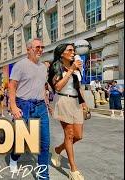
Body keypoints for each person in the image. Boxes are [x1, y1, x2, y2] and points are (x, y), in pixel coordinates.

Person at [8, 38, 50, 179]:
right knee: (21, 140)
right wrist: (13, 106)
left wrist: (46, 103)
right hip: (23, 105)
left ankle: (43, 176)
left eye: (41, 47)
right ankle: (14, 158)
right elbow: (12, 86)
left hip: (40, 107)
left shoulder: (43, 67)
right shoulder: (20, 65)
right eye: (37, 47)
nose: (40, 50)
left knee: (44, 143)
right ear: (28, 49)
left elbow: (42, 87)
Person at [48, 43, 88, 180]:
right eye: (69, 50)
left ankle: (57, 150)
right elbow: (58, 87)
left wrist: (83, 103)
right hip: (63, 101)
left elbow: (79, 87)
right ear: (61, 53)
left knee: (78, 136)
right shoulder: (56, 67)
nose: (73, 52)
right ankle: (73, 170)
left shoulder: (76, 67)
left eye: (73, 50)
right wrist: (71, 70)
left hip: (76, 102)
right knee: (69, 134)